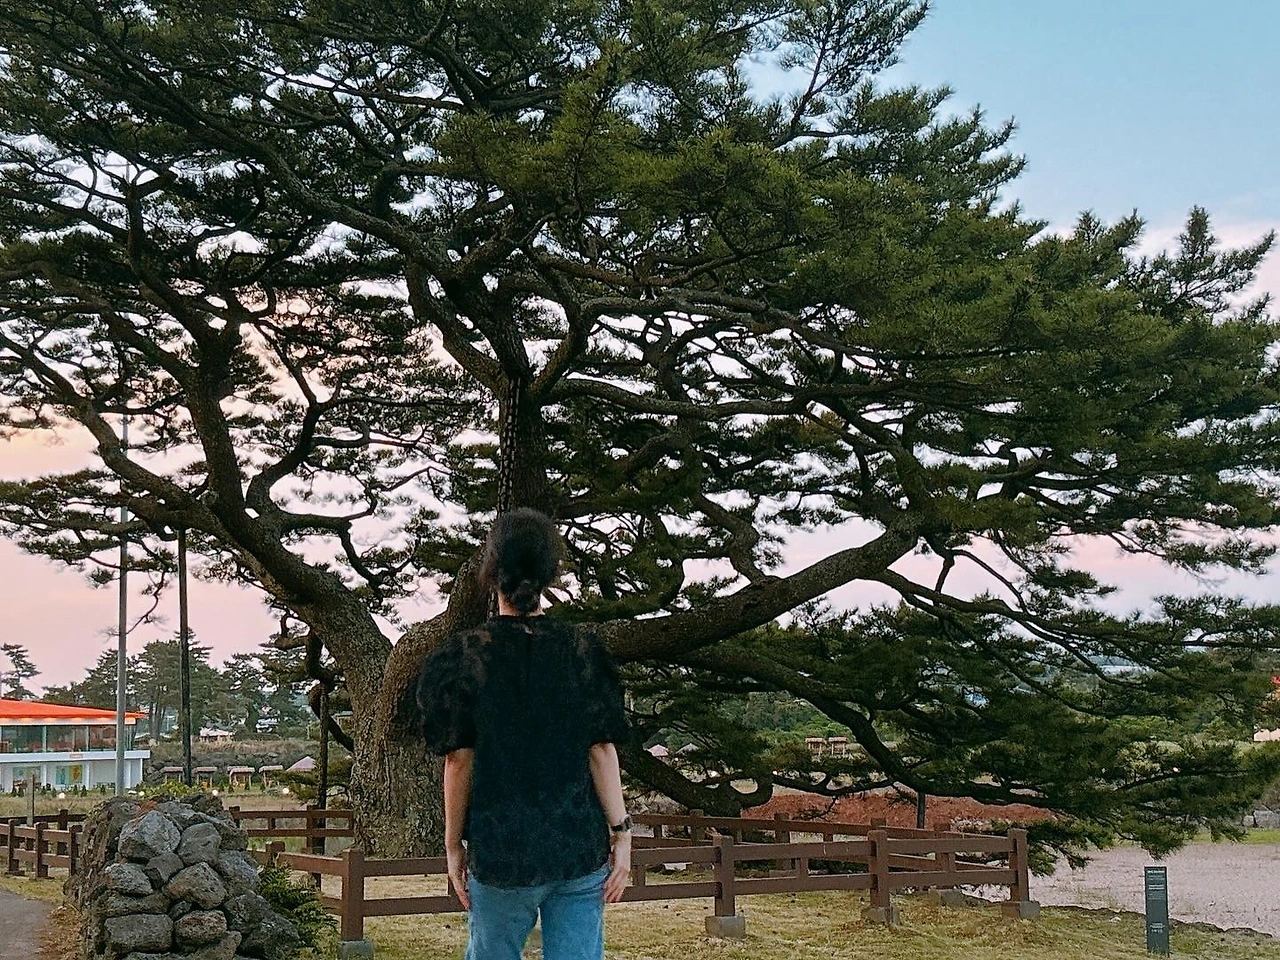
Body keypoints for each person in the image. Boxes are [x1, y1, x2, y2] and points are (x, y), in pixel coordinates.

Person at [415, 508, 632, 960]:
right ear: (551, 573)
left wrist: (453, 846)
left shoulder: (464, 657)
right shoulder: (582, 652)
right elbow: (601, 749)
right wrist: (622, 834)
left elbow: (458, 760)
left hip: (501, 853)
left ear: (491, 573)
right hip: (577, 849)